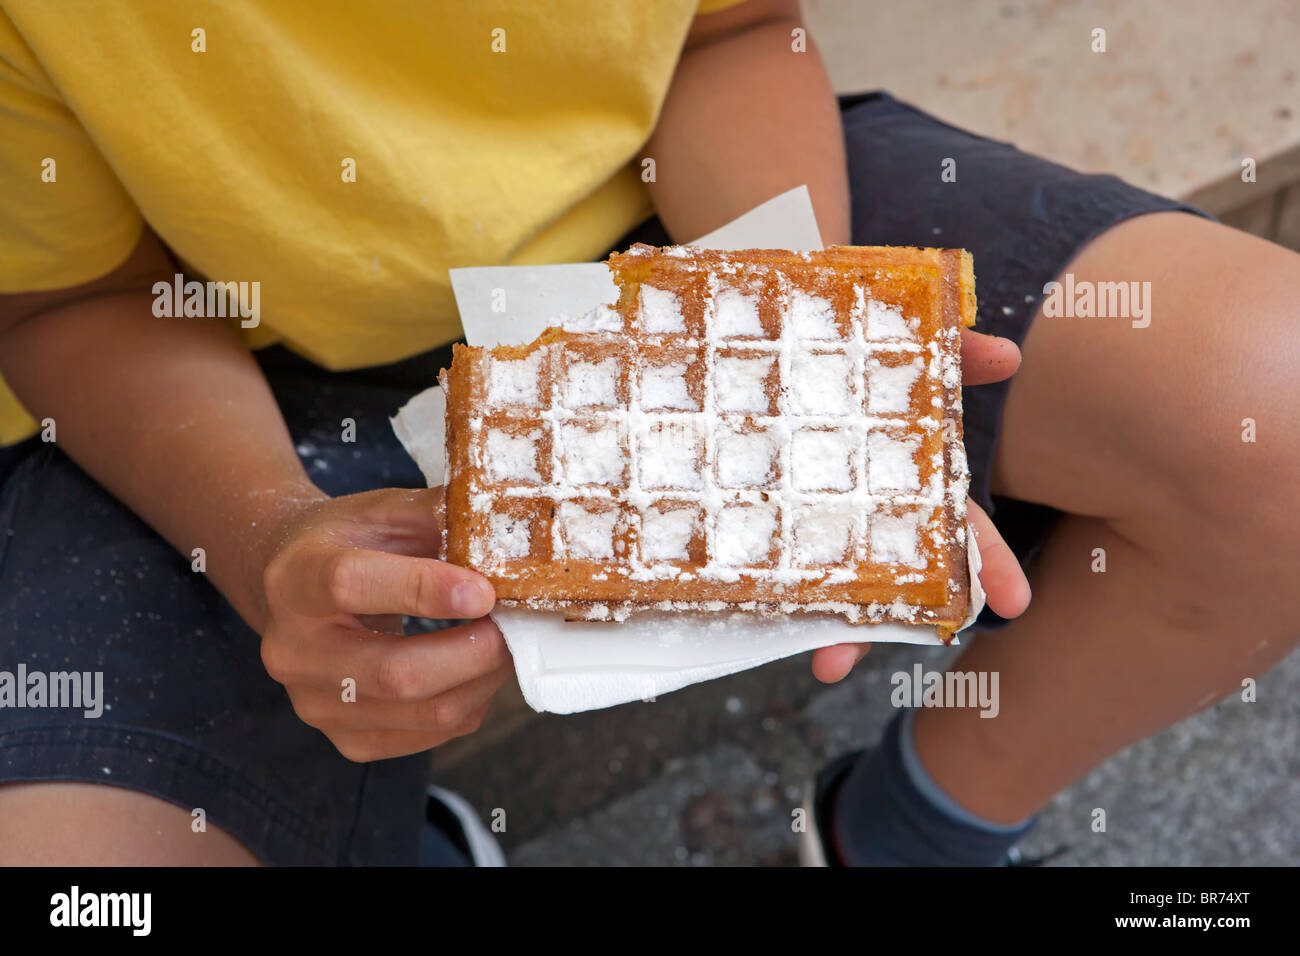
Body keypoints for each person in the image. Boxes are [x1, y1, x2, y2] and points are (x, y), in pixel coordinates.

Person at [0, 0, 1293, 866]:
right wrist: (264, 537)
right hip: (208, 352)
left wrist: (803, 327)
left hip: (674, 222)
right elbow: (65, 295)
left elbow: (727, 31)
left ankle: (904, 836)